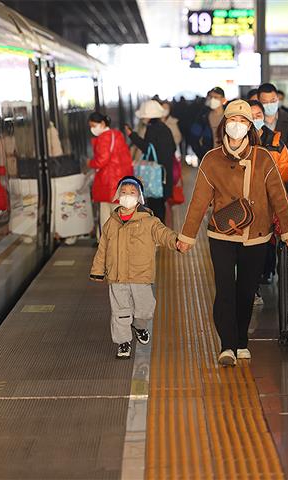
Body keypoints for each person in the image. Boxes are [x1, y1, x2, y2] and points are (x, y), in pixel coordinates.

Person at [176, 99, 288, 366]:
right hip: (221, 234)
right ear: (224, 125)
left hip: (256, 234)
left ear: (250, 127)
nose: (237, 126)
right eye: (232, 121)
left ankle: (241, 340)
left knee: (245, 290)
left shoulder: (263, 157)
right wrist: (186, 236)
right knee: (224, 290)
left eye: (243, 122)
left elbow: (278, 196)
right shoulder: (211, 159)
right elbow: (198, 201)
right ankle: (227, 346)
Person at [90, 176, 180, 358]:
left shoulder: (149, 221)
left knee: (145, 309)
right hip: (116, 276)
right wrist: (97, 270)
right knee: (120, 311)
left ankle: (139, 326)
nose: (127, 196)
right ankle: (123, 343)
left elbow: (163, 234)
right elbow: (103, 248)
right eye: (123, 192)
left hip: (141, 275)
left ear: (139, 197)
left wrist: (177, 241)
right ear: (117, 195)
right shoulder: (111, 222)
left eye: (132, 193)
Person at [249, 99, 288, 294]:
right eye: (251, 116)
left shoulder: (276, 141)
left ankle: (269, 275)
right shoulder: (239, 143)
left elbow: (285, 165)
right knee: (251, 248)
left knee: (270, 243)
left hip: (271, 202)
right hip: (247, 204)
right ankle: (252, 286)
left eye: (258, 116)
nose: (255, 120)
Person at [125, 100, 175, 223]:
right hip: (164, 174)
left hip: (155, 176)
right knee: (160, 206)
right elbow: (173, 148)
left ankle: (158, 236)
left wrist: (132, 135)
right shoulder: (164, 128)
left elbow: (147, 148)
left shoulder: (153, 129)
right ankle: (160, 233)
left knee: (156, 207)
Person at [88, 112, 134, 228]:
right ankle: (121, 240)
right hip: (121, 179)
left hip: (108, 181)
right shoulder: (117, 135)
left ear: (102, 123)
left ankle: (107, 241)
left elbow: (101, 161)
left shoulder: (104, 138)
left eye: (93, 125)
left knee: (106, 214)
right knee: (120, 212)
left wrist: (90, 163)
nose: (92, 129)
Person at [258, 83, 288, 162]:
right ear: (258, 102)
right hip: (261, 167)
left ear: (278, 99)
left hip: (285, 166)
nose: (269, 104)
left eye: (272, 101)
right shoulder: (255, 121)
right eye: (265, 102)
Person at [189, 87, 226, 160]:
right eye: (211, 97)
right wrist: (202, 155)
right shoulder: (203, 116)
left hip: (226, 158)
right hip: (209, 158)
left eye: (216, 97)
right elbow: (193, 137)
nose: (212, 100)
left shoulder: (229, 116)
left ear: (223, 100)